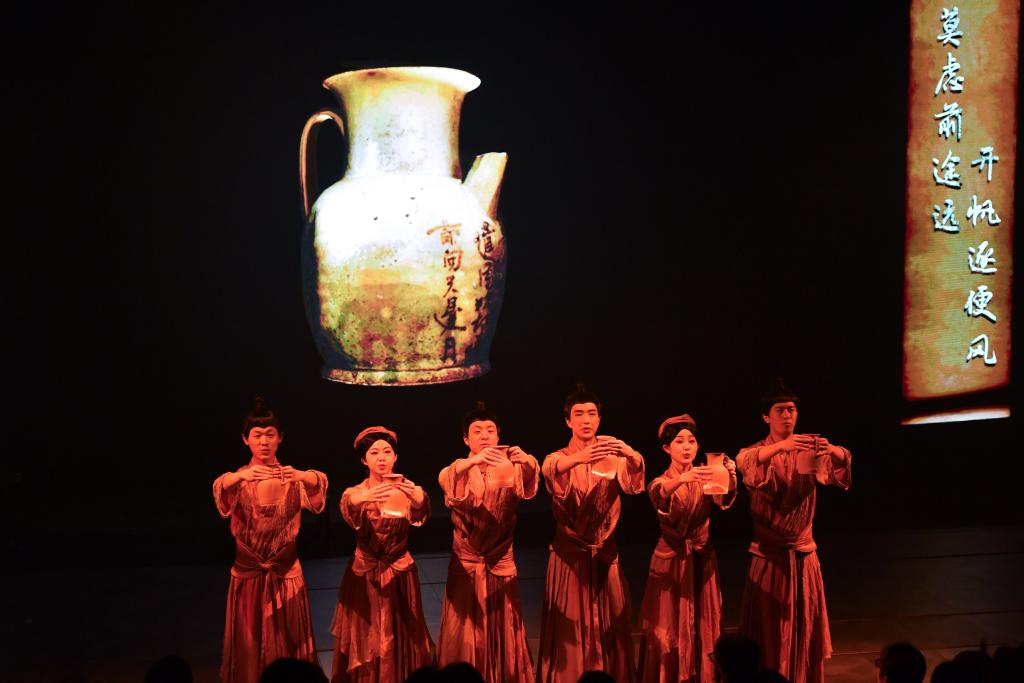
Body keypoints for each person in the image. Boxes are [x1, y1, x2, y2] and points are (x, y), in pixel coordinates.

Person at [735, 381, 852, 683]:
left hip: (802, 554)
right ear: (766, 417)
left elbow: (841, 465)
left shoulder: (808, 448)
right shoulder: (756, 451)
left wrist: (832, 450)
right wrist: (780, 447)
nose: (787, 415)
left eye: (792, 410)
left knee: (803, 623)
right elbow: (744, 462)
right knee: (770, 626)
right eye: (780, 410)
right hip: (770, 556)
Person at [213, 397, 328, 683]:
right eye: (257, 435)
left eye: (270, 434)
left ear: (280, 438)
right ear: (245, 439)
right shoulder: (238, 480)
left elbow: (319, 485)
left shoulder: (293, 479)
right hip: (249, 577)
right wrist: (240, 477)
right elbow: (220, 489)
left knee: (290, 642)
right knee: (249, 644)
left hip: (285, 576)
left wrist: (303, 475)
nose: (264, 441)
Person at [536, 385, 645, 683]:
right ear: (568, 421)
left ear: (599, 418)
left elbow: (634, 483)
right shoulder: (559, 457)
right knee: (570, 629)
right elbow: (550, 470)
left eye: (592, 414)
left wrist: (630, 454)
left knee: (612, 624)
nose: (586, 420)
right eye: (579, 414)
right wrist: (580, 458)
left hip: (605, 553)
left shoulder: (613, 455)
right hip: (570, 556)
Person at [436, 402, 539, 683]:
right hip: (467, 563)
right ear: (466, 439)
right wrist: (473, 462)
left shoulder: (511, 468)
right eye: (477, 431)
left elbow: (530, 482)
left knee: (504, 626)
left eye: (490, 430)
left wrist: (527, 462)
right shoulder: (458, 469)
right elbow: (446, 478)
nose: (484, 436)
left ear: (498, 436)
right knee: (463, 631)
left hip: (500, 560)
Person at [330, 426, 434, 683]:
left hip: (399, 572)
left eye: (387, 452)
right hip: (365, 575)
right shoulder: (356, 492)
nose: (381, 458)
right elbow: (347, 506)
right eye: (374, 453)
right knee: (367, 634)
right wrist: (362, 498)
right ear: (364, 460)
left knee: (401, 632)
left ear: (395, 456)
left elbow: (422, 511)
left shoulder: (407, 488)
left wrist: (419, 499)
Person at [638, 414, 737, 683]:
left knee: (704, 620)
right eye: (679, 441)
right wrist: (684, 478)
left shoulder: (706, 475)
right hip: (671, 560)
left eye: (691, 441)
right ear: (666, 448)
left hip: (702, 556)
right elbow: (659, 493)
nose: (686, 447)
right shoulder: (662, 480)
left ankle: (704, 675)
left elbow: (722, 499)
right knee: (668, 624)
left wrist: (729, 476)